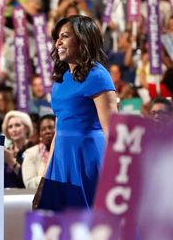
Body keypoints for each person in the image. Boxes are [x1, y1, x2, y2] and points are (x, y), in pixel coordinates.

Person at [36, 15, 117, 211]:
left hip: (88, 159)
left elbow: (113, 132)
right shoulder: (61, 79)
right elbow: (58, 131)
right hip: (61, 160)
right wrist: (45, 178)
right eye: (57, 37)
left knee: (88, 226)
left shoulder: (98, 76)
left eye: (65, 36)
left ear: (83, 40)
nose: (58, 42)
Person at [23, 114, 55, 190]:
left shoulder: (66, 152)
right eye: (43, 129)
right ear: (40, 134)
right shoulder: (30, 153)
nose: (47, 131)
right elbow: (29, 183)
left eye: (51, 127)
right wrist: (53, 179)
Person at [2, 110, 33, 188]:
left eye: (17, 125)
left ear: (26, 128)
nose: (14, 130)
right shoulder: (5, 151)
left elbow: (29, 181)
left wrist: (12, 162)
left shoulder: (34, 149)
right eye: (10, 127)